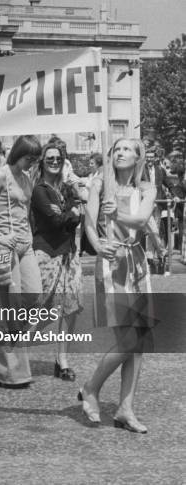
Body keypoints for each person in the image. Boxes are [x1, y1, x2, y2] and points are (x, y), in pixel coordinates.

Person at [80, 137, 156, 434]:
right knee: (129, 340)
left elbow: (139, 220)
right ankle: (91, 387)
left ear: (138, 158)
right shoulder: (100, 184)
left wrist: (117, 213)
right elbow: (87, 223)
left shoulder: (146, 188)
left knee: (140, 342)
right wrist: (99, 246)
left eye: (127, 149)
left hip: (137, 262)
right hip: (112, 265)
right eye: (117, 149)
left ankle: (125, 408)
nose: (121, 153)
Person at [0, 134, 43, 389]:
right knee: (8, 306)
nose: (32, 163)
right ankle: (8, 372)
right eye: (30, 158)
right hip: (6, 245)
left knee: (35, 295)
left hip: (26, 244)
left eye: (35, 159)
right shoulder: (0, 175)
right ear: (19, 153)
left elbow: (26, 213)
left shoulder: (26, 178)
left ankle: (13, 360)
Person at [30, 142, 83, 381]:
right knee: (43, 309)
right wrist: (69, 215)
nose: (54, 161)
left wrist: (68, 215)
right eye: (50, 158)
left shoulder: (65, 188)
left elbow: (73, 219)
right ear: (42, 161)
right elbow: (54, 222)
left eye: (58, 158)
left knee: (70, 308)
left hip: (69, 253)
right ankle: (9, 348)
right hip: (47, 253)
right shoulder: (40, 189)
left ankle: (62, 360)